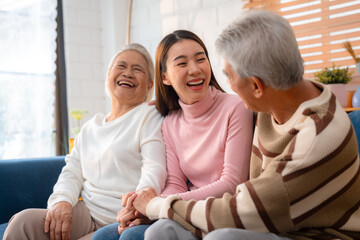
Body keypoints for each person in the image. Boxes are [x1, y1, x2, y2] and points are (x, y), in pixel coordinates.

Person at [125, 10, 360, 240]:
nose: (225, 85)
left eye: (229, 75)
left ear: (257, 86)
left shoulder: (316, 137)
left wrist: (157, 206)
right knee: (160, 232)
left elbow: (240, 212)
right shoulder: (276, 101)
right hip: (262, 221)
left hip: (311, 234)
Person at [91, 30, 254, 240]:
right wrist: (144, 209)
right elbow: (175, 182)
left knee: (132, 237)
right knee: (103, 237)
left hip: (219, 214)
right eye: (182, 63)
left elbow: (231, 183)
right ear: (165, 77)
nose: (195, 69)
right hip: (182, 211)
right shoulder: (170, 122)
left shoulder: (236, 107)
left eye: (200, 59)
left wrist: (158, 206)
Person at [3, 43, 167, 240]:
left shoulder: (149, 116)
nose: (128, 73)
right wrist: (61, 202)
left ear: (150, 83)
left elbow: (154, 168)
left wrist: (137, 208)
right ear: (108, 76)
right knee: (22, 223)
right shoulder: (91, 127)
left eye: (137, 69)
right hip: (86, 212)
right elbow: (72, 171)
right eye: (121, 66)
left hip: (122, 218)